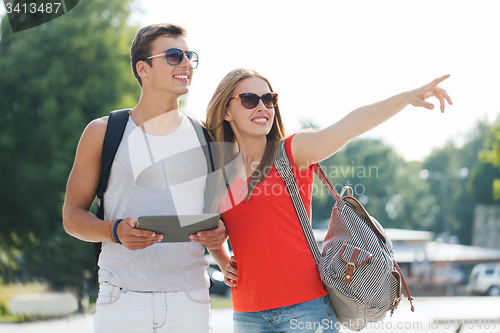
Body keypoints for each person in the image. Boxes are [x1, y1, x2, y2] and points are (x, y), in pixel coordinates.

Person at [201, 68, 452, 332]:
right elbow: (209, 230)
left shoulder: (291, 152)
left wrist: (405, 98)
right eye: (250, 100)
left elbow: (347, 126)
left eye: (269, 99)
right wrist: (223, 260)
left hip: (306, 308)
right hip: (247, 314)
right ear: (226, 111)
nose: (262, 107)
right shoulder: (218, 174)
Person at [62, 23, 231, 333]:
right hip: (121, 298)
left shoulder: (208, 138)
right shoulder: (103, 132)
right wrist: (115, 231)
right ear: (143, 68)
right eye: (173, 55)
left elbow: (219, 218)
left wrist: (218, 235)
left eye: (189, 56)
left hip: (190, 299)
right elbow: (72, 217)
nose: (185, 64)